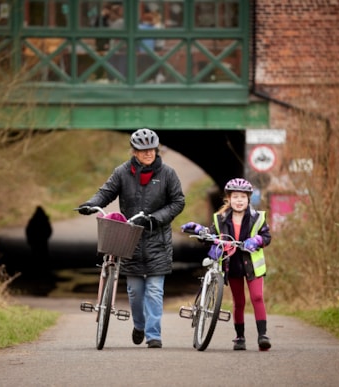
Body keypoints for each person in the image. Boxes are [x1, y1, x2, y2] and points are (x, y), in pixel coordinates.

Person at [78, 128, 185, 349]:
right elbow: (106, 192)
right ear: (134, 152)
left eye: (151, 149)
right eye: (143, 150)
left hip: (158, 240)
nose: (148, 153)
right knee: (135, 292)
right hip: (129, 240)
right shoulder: (122, 172)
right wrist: (90, 204)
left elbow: (177, 202)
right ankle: (139, 325)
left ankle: (153, 335)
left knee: (155, 291)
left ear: (157, 149)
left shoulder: (168, 174)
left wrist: (155, 218)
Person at [181, 178, 272, 351]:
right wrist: (200, 230)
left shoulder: (258, 217)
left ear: (248, 199)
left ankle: (263, 336)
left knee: (257, 297)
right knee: (239, 302)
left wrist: (256, 240)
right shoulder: (220, 218)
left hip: (252, 264)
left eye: (243, 197)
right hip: (233, 264)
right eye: (235, 197)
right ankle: (239, 337)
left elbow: (266, 236)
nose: (239, 200)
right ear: (229, 199)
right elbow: (212, 237)